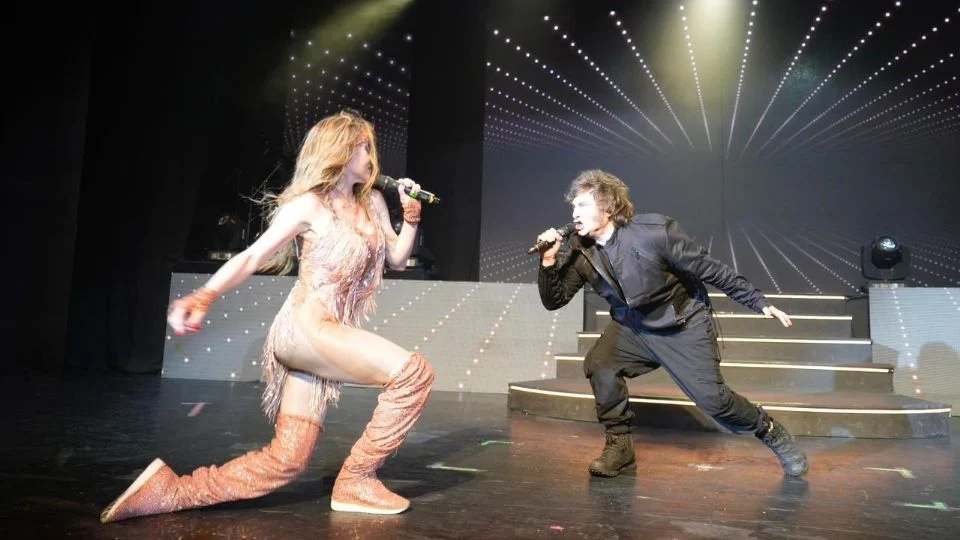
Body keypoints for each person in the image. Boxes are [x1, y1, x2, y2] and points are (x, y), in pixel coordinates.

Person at [100, 110, 436, 522]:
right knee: (413, 375)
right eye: (362, 145)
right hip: (306, 330)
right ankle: (358, 479)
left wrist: (412, 214)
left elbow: (399, 259)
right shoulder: (309, 206)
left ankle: (170, 492)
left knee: (287, 460)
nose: (371, 154)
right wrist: (204, 295)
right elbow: (252, 256)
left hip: (327, 337)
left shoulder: (373, 204)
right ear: (340, 150)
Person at [535, 169, 808, 478]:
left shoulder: (654, 233)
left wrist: (758, 301)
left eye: (582, 205)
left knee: (714, 402)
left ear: (608, 208)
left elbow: (710, 269)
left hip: (681, 324)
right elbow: (554, 300)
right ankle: (620, 448)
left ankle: (770, 430)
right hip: (635, 327)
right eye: (573, 207)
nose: (574, 214)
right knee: (601, 363)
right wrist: (548, 262)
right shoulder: (581, 248)